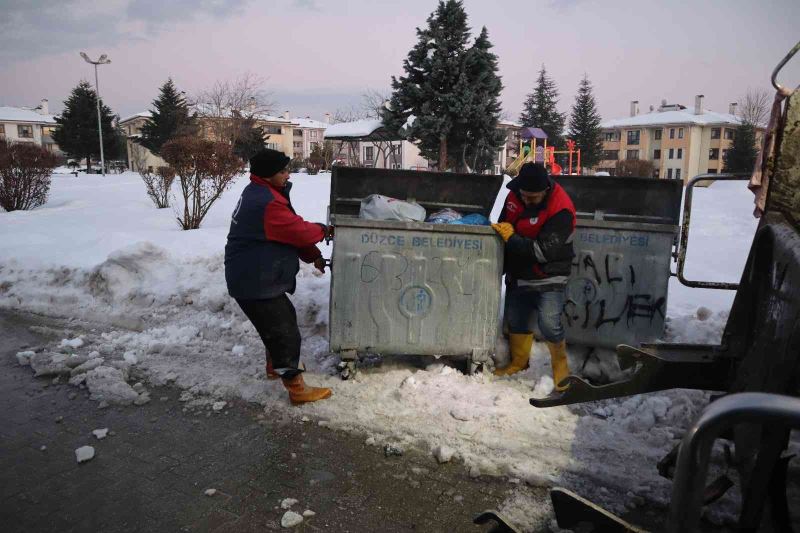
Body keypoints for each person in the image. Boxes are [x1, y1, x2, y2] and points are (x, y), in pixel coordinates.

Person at [224, 148, 333, 405]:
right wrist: (324, 230)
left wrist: (313, 255)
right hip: (255, 279)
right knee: (285, 332)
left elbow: (287, 230)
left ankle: (274, 366)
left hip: (255, 275)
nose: (288, 174)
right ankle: (296, 388)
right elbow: (298, 231)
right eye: (283, 171)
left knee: (275, 325)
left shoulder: (264, 193)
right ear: (268, 174)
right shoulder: (266, 202)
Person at [491, 162, 576, 391]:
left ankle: (561, 368)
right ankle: (518, 362)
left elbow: (542, 252)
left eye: (533, 198)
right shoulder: (515, 194)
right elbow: (504, 224)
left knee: (549, 323)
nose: (527, 201)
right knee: (516, 319)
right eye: (524, 196)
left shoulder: (561, 210)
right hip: (519, 273)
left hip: (550, 275)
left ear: (546, 191)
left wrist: (512, 239)